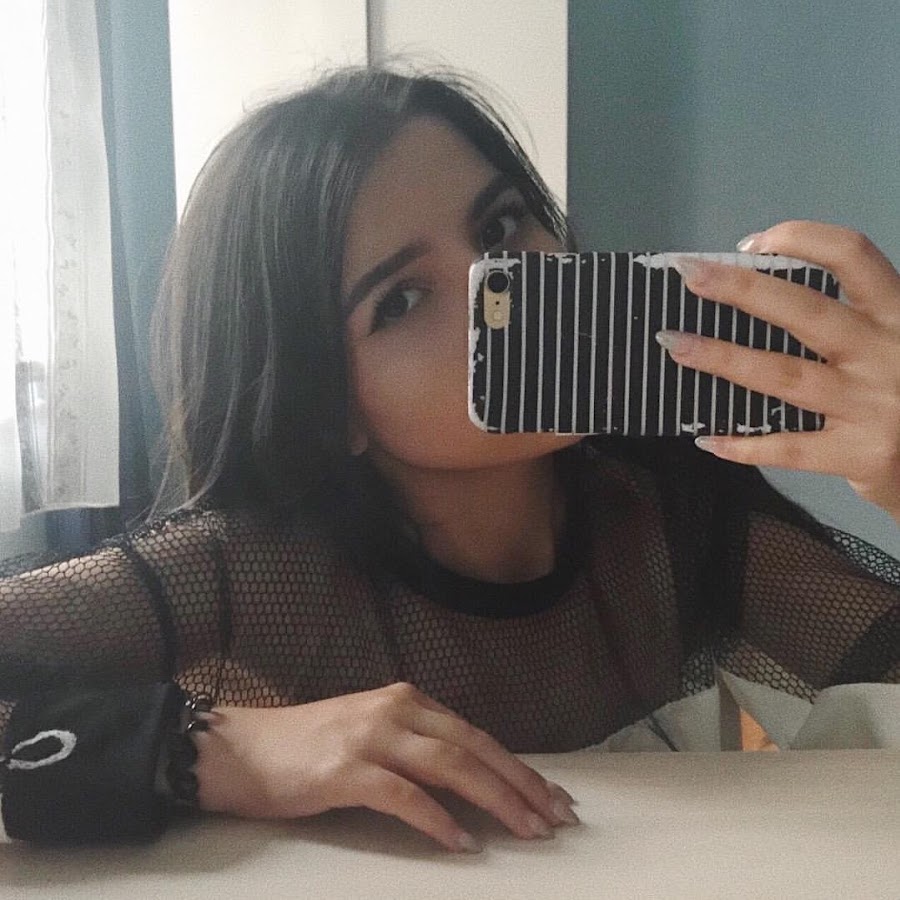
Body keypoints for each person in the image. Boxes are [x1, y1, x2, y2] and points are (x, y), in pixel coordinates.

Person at [1, 67, 898, 852]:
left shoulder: (667, 505)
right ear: (330, 407)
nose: (507, 298)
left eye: (502, 229)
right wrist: (210, 749)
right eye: (400, 300)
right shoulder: (246, 569)